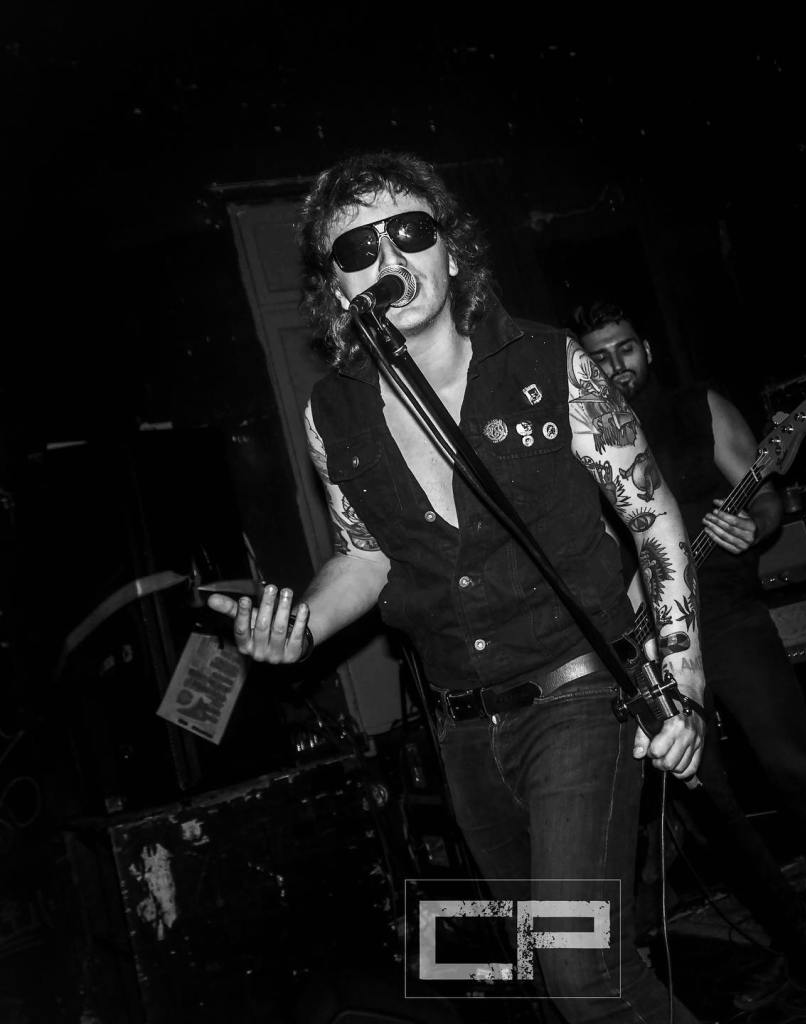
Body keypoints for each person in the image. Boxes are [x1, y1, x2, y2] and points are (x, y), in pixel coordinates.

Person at [208, 152, 709, 1024]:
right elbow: (365, 556)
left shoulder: (548, 362)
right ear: (336, 285)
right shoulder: (333, 412)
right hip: (466, 732)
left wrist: (683, 675)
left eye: (410, 231)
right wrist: (301, 627)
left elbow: (654, 516)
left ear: (449, 249)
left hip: (580, 695)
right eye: (358, 247)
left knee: (578, 973)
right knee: (575, 976)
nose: (388, 257)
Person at [574, 300, 806, 1011]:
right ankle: (803, 955)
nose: (613, 365)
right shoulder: (582, 435)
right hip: (649, 639)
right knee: (712, 804)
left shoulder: (698, 407)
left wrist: (750, 524)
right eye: (597, 356)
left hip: (725, 614)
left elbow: (767, 494)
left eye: (623, 348)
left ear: (646, 348)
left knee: (795, 768)